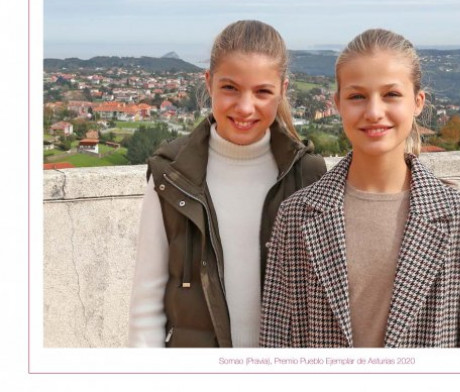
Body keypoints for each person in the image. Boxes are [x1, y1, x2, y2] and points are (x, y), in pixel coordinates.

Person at [260, 29, 460, 348]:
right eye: (357, 96)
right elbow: (276, 342)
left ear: (417, 102)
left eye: (391, 95)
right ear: (338, 104)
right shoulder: (296, 216)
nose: (373, 112)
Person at [128, 20, 327, 348]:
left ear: (283, 90)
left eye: (262, 91)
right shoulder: (171, 177)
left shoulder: (308, 175)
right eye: (230, 88)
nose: (245, 107)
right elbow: (146, 309)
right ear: (209, 83)